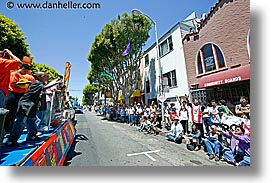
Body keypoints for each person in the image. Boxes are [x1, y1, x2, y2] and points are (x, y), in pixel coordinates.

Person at [5, 72, 62, 146]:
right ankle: (12, 139)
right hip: (26, 104)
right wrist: (55, 82)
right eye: (46, 76)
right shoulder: (37, 83)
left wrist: (38, 102)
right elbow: (45, 87)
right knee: (20, 121)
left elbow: (38, 93)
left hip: (32, 104)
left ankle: (32, 135)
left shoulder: (39, 84)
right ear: (40, 77)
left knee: (32, 120)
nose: (47, 78)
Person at [3, 64, 34, 133]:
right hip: (13, 94)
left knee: (15, 112)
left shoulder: (24, 76)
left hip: (21, 94)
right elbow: (14, 84)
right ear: (22, 68)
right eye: (26, 70)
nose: (27, 72)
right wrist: (26, 83)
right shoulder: (14, 74)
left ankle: (10, 129)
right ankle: (5, 129)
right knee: (10, 111)